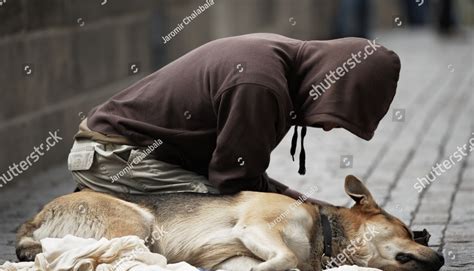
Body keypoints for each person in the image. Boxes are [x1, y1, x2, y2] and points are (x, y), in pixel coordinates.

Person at [69, 33, 400, 204]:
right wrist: (325, 219)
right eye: (336, 115)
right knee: (231, 219)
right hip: (113, 158)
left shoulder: (281, 58)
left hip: (134, 154)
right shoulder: (261, 85)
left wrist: (323, 209)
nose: (328, 127)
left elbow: (246, 177)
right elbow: (236, 189)